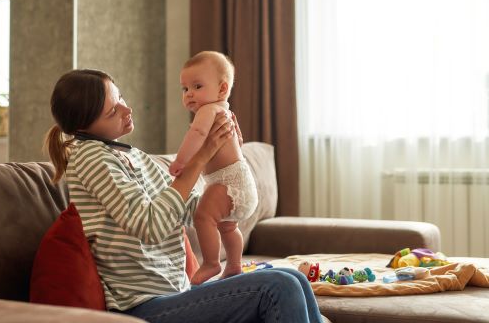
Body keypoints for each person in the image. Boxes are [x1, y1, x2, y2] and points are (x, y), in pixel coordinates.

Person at [44, 69, 323, 323]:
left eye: (121, 97)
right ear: (83, 127)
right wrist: (199, 158)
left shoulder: (134, 156)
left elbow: (192, 210)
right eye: (112, 111)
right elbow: (150, 227)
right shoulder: (90, 157)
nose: (127, 109)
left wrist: (228, 159)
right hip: (143, 307)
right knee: (278, 286)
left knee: (292, 276)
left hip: (178, 292)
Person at [169, 51, 257, 285]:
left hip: (228, 182)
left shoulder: (208, 111)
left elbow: (196, 134)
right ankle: (235, 265)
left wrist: (180, 162)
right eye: (184, 89)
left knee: (203, 216)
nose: (189, 94)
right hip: (239, 183)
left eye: (197, 86)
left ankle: (211, 262)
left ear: (221, 89)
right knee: (228, 226)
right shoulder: (224, 112)